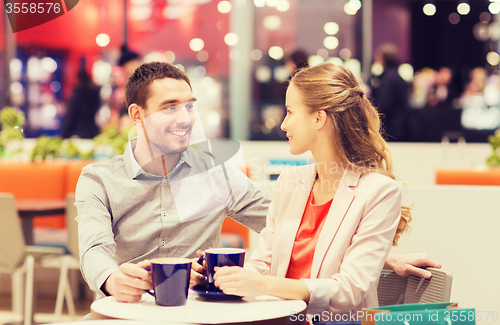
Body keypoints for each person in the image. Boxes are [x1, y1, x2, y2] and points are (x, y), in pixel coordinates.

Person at [76, 61, 440, 304]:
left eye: (190, 105)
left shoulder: (214, 175)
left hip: (197, 314)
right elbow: (94, 251)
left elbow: (298, 229)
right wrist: (110, 279)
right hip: (128, 311)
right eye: (170, 106)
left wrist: (381, 255)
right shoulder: (99, 179)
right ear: (137, 115)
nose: (186, 117)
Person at [206, 63, 418, 315]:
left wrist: (263, 284)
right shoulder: (290, 182)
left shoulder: (379, 191)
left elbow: (349, 290)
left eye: (290, 112)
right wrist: (229, 279)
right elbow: (263, 263)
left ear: (318, 118)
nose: (283, 125)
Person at [370, 43, 409, 141]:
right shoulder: (397, 76)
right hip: (400, 124)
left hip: (390, 126)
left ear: (383, 58)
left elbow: (383, 103)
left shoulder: (387, 78)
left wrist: (368, 100)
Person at [62, 66, 101, 138]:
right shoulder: (95, 95)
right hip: (93, 131)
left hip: (78, 134)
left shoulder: (76, 96)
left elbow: (70, 117)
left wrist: (64, 135)